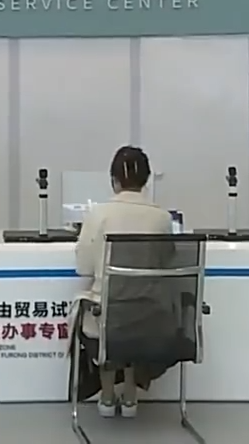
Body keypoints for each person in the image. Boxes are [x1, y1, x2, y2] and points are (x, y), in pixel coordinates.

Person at [73, 146, 173, 419]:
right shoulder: (162, 218)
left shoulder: (98, 214)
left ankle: (106, 394)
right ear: (147, 180)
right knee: (134, 315)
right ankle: (130, 393)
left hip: (107, 317)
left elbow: (83, 267)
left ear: (114, 180)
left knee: (105, 313)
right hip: (149, 318)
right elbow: (166, 264)